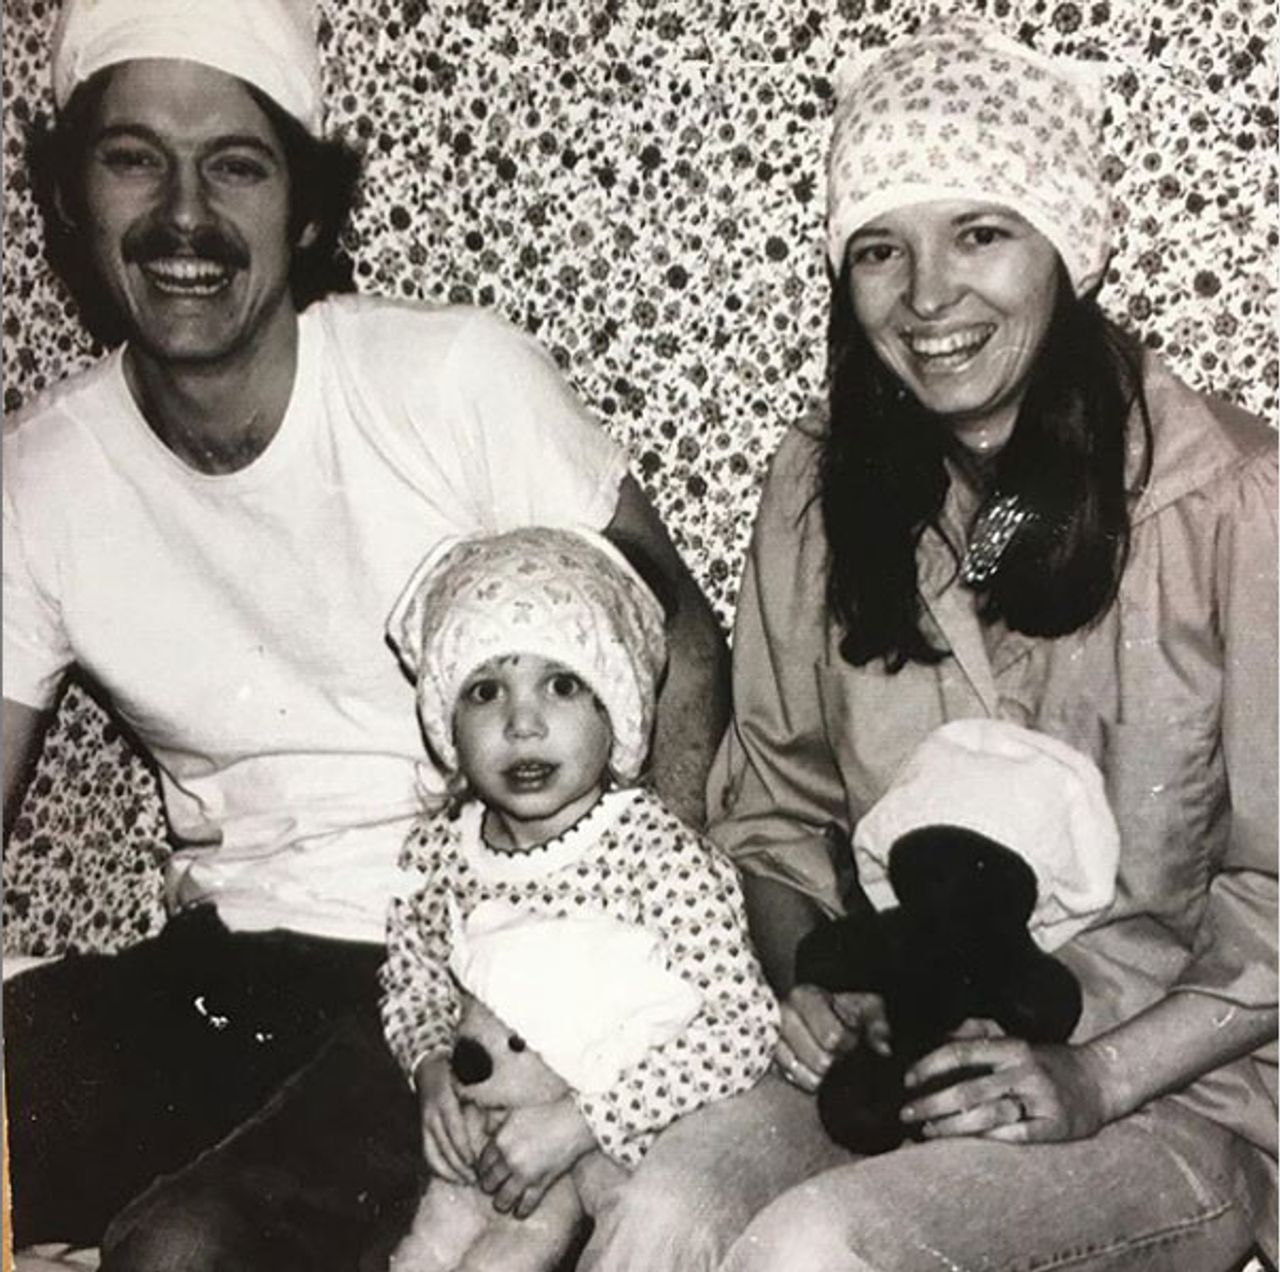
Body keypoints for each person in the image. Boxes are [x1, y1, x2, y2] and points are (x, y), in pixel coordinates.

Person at [1, 0, 729, 1265]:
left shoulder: (447, 382)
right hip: (223, 969)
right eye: (132, 158)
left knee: (179, 1254)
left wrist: (620, 982)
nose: (184, 215)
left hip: (452, 972)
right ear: (70, 196)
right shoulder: (42, 474)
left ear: (305, 208)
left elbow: (681, 642)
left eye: (236, 164)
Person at [581, 19, 1278, 1272]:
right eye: (878, 249)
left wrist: (1096, 1077)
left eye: (979, 233)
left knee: (819, 1248)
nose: (924, 297)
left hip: (1165, 1098)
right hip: (898, 1053)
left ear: (1065, 249)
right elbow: (773, 814)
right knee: (660, 1212)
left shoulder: (1230, 500)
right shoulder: (818, 488)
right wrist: (812, 983)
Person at [379, 527, 777, 1262]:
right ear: (447, 723)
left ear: (614, 709)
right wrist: (430, 1067)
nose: (522, 723)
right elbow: (414, 979)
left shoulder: (660, 857)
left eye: (562, 685)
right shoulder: (439, 854)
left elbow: (742, 1028)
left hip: (628, 1145)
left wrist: (583, 1121)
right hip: (489, 1155)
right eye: (485, 691)